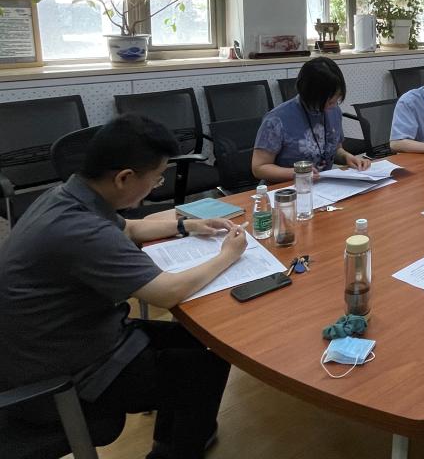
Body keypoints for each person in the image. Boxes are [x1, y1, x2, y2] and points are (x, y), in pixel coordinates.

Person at [0, 114, 248, 459]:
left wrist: (188, 226)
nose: (158, 185)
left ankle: (178, 439)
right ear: (124, 178)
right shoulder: (82, 230)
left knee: (200, 337)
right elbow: (166, 293)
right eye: (156, 177)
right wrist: (228, 255)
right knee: (204, 370)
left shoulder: (68, 196)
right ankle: (175, 451)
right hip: (58, 379)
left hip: (64, 340)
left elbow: (128, 229)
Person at [252, 56, 370, 182]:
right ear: (309, 95)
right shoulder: (276, 120)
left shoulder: (334, 111)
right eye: (328, 102)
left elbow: (335, 149)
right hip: (287, 188)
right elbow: (259, 168)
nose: (332, 107)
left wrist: (347, 157)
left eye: (335, 100)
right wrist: (297, 172)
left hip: (322, 185)